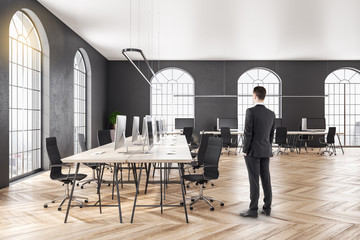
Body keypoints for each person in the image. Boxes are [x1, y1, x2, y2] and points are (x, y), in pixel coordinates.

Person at [240, 86, 275, 218]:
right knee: (266, 179)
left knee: (253, 179)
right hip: (266, 150)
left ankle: (253, 209)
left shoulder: (250, 111)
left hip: (252, 152)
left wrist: (245, 150)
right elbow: (271, 135)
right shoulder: (271, 114)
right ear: (264, 96)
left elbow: (248, 133)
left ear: (255, 96)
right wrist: (268, 147)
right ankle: (267, 207)